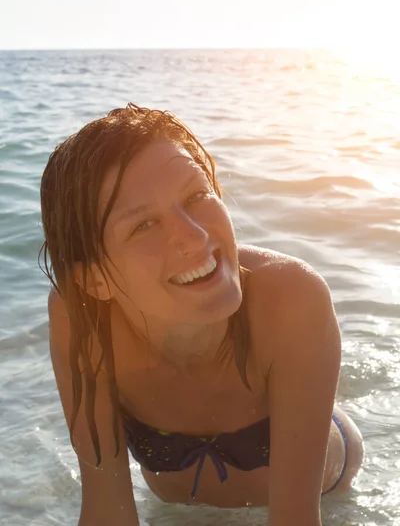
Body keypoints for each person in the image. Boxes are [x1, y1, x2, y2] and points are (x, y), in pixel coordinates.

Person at [39, 104, 364, 526]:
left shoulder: (291, 297)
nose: (195, 236)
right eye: (143, 225)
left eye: (196, 196)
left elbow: (296, 520)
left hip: (324, 488)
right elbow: (107, 511)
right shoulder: (81, 317)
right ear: (94, 280)